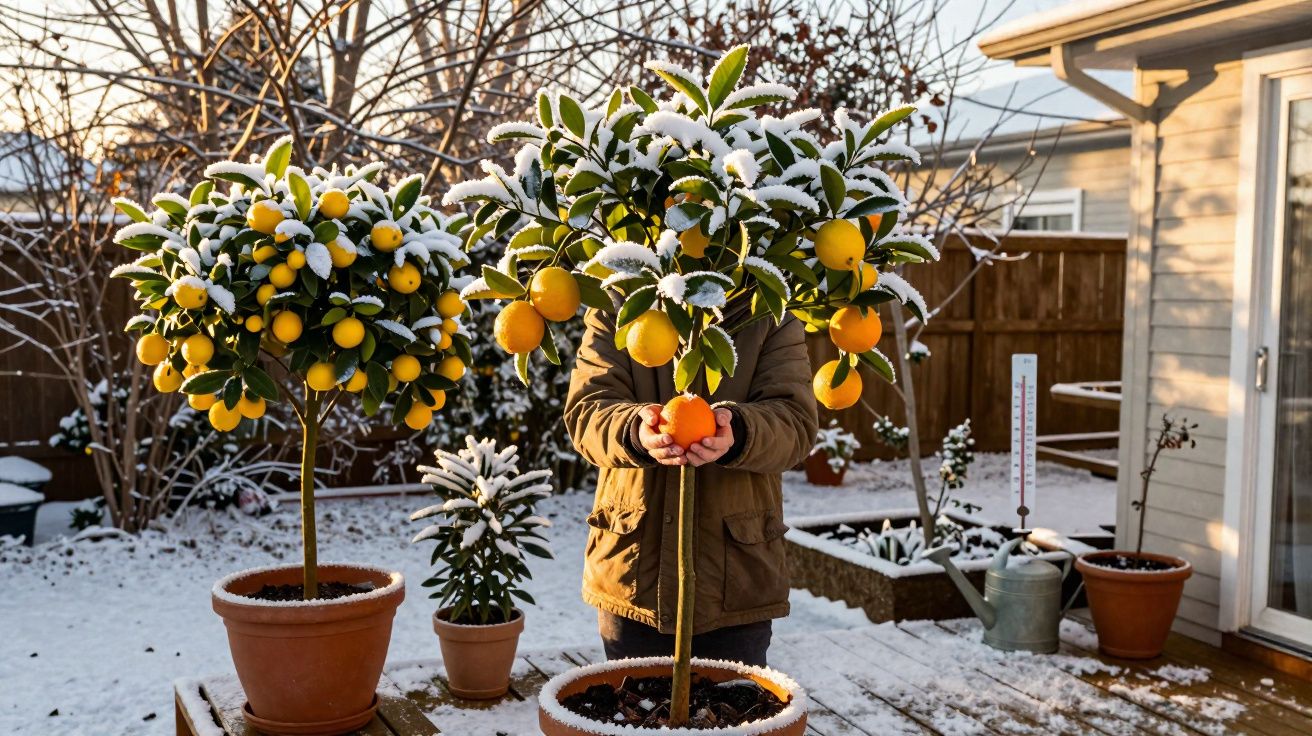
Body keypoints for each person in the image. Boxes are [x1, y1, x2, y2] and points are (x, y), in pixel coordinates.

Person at [564, 303, 818, 666]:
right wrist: (634, 431)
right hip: (634, 574)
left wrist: (740, 431)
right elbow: (587, 411)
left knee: (733, 718)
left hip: (737, 579)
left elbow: (796, 422)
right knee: (633, 714)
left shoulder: (768, 310)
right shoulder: (620, 303)